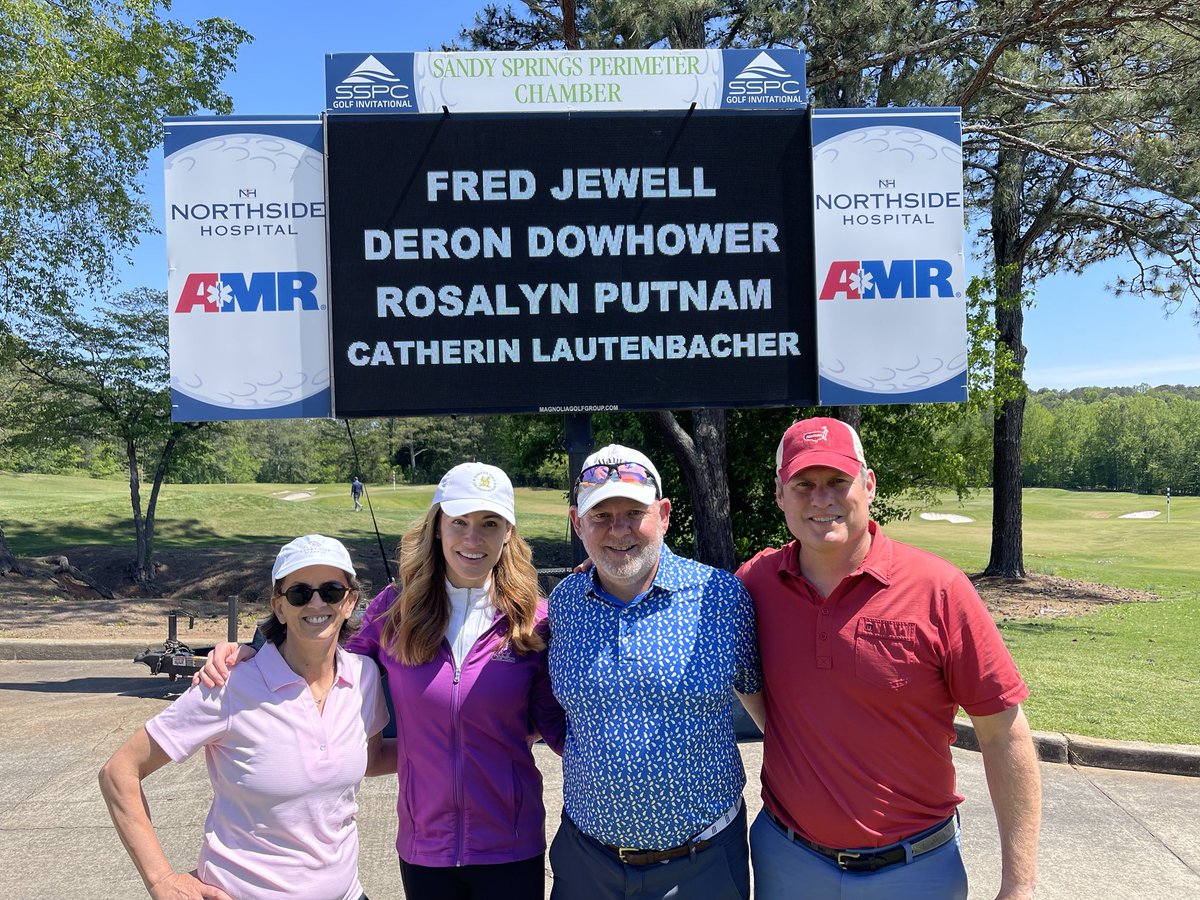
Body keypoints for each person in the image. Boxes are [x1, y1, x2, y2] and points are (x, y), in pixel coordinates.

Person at [197, 463, 564, 900]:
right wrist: (261, 651)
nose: (473, 538)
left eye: (490, 524)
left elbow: (555, 717)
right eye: (459, 522)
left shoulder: (535, 618)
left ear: (508, 532)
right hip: (425, 845)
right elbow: (326, 657)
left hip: (511, 844)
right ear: (437, 528)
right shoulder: (396, 608)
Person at [735, 417, 1042, 900]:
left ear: (869, 484)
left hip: (914, 869)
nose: (822, 498)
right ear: (780, 494)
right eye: (804, 484)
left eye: (838, 481)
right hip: (787, 862)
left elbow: (1004, 734)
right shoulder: (755, 584)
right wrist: (599, 570)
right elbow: (678, 598)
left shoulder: (939, 589)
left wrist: (1018, 886)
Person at [99, 534, 389, 900]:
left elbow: (374, 758)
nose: (316, 602)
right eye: (299, 593)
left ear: (350, 602)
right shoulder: (227, 684)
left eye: (331, 591)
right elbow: (119, 771)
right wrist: (162, 881)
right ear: (279, 607)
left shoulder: (363, 677)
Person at [547, 444, 763, 900]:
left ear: (663, 515)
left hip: (702, 863)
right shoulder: (564, 605)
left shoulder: (720, 597)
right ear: (576, 523)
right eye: (600, 515)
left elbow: (767, 712)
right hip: (587, 861)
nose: (618, 530)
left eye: (633, 512)